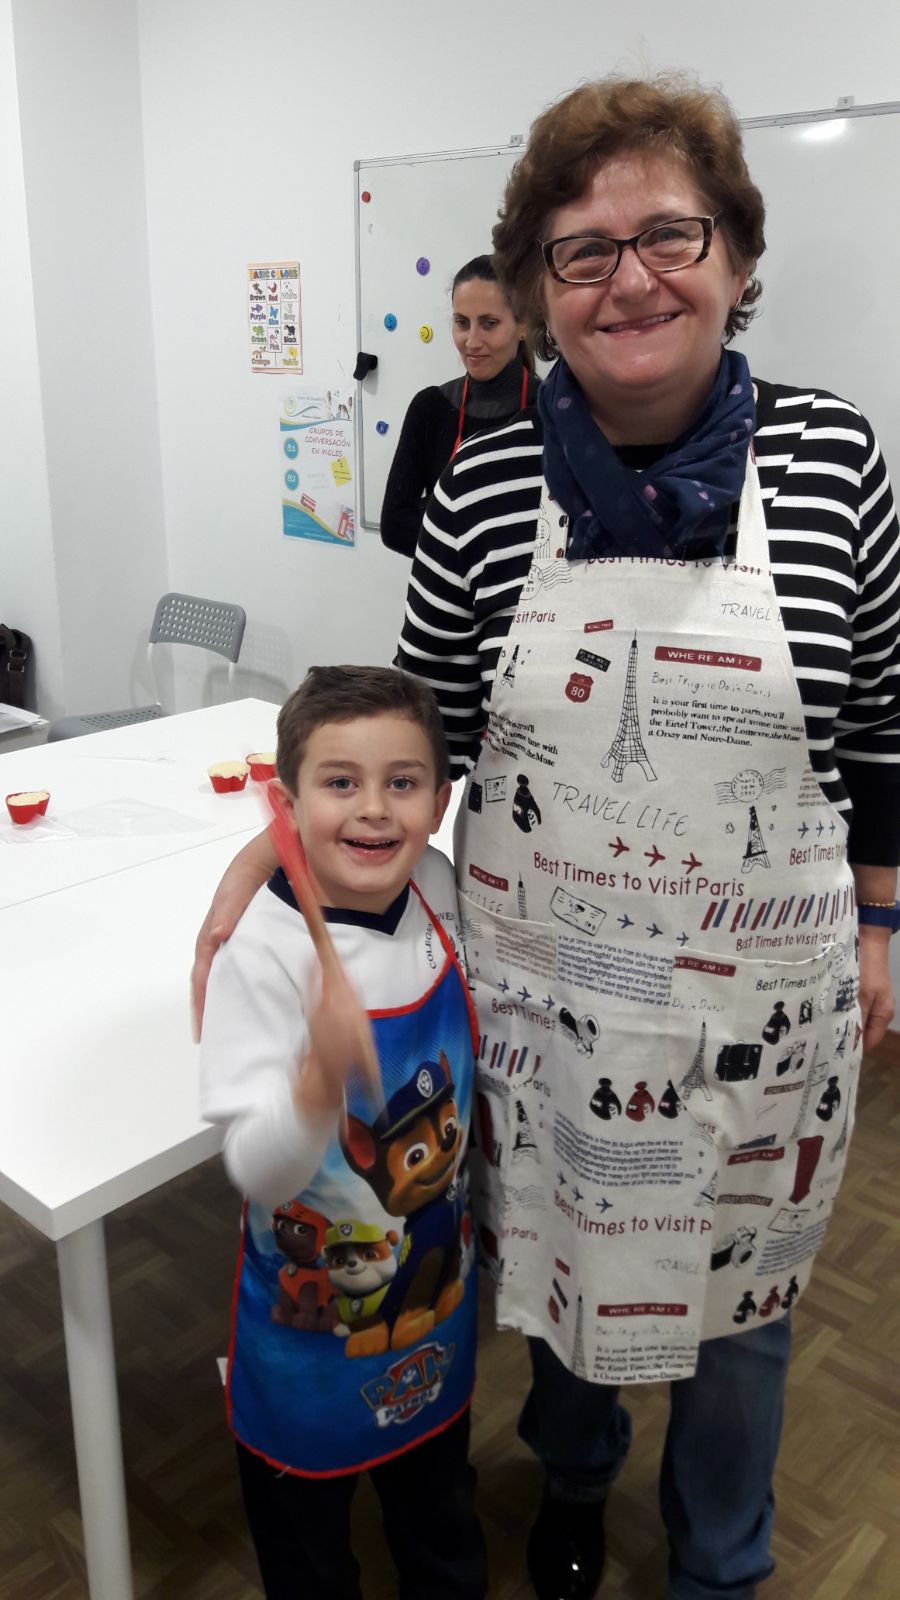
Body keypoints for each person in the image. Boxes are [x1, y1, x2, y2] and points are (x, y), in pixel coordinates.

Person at [192, 74, 900, 1600]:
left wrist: (882, 920)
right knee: (567, 1252)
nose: (629, 278)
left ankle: (721, 1560)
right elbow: (420, 733)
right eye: (583, 250)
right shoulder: (483, 483)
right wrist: (278, 856)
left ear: (737, 258)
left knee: (747, 1312)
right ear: (538, 289)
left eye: (670, 235)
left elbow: (888, 721)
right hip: (553, 985)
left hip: (765, 996)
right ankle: (574, 1483)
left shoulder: (836, 458)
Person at [199, 666, 486, 1600]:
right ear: (286, 808)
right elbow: (258, 1169)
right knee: (310, 1560)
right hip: (305, 1354)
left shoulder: (437, 886)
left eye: (402, 782)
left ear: (439, 803)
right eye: (339, 783)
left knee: (442, 1526)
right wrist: (318, 1083)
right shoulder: (264, 955)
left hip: (438, 1321)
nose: (372, 809)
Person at [379, 255, 540, 557]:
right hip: (443, 587)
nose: (472, 341)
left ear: (523, 325)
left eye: (490, 324)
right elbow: (395, 526)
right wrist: (488, 554)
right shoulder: (431, 408)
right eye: (462, 323)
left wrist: (448, 532)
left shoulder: (551, 411)